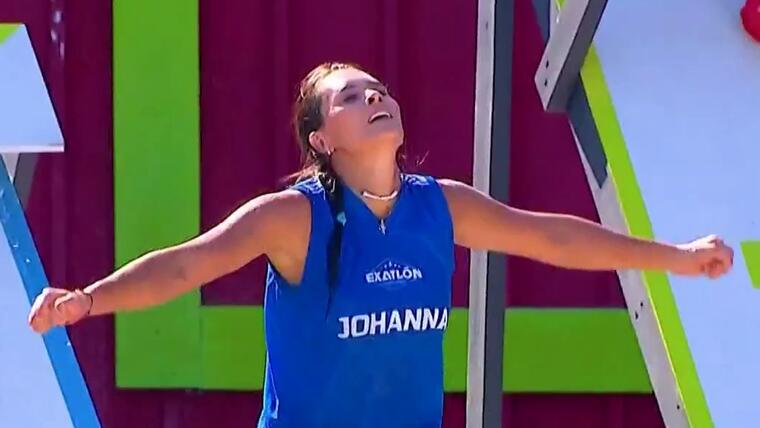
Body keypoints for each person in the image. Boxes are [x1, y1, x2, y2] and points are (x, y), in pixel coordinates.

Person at [28, 62, 733, 428]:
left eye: (379, 89)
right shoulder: (293, 219)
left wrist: (674, 257)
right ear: (320, 140)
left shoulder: (440, 205)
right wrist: (88, 299)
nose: (375, 98)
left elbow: (549, 235)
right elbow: (187, 264)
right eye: (349, 96)